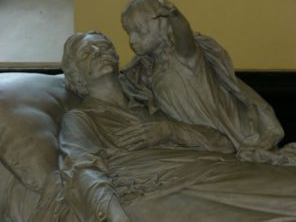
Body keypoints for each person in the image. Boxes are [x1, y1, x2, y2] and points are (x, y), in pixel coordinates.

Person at [58, 31, 234, 222]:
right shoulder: (80, 119)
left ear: (117, 58)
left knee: (267, 181)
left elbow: (224, 144)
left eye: (104, 47)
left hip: (207, 172)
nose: (97, 51)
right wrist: (115, 216)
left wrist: (169, 131)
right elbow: (82, 171)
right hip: (159, 192)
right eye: (86, 53)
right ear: (76, 76)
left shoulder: (153, 104)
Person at [119, 0, 284, 152]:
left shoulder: (183, 56)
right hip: (193, 132)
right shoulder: (147, 70)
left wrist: (176, 17)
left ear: (163, 27)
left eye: (140, 32)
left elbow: (185, 36)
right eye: (129, 33)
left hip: (218, 127)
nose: (131, 40)